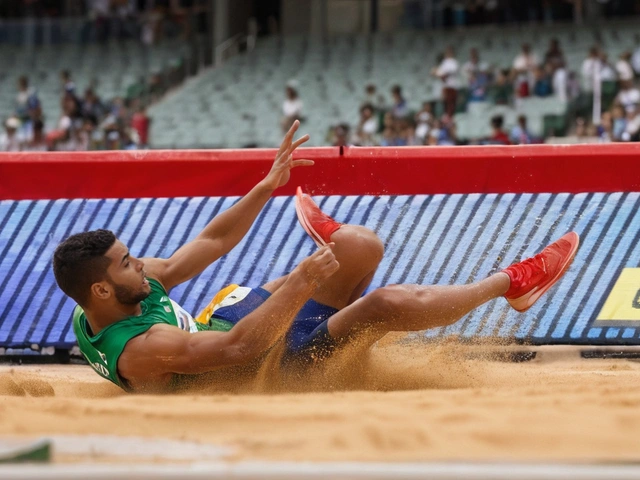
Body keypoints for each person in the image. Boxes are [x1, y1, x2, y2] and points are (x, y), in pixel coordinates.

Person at [53, 121, 579, 393]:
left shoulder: (102, 294)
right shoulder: (142, 349)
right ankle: (513, 283)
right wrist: (301, 282)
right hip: (265, 365)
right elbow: (240, 351)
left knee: (359, 245)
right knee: (385, 303)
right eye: (127, 263)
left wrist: (265, 185)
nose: (140, 264)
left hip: (226, 324)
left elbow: (207, 245)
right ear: (102, 288)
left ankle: (332, 244)